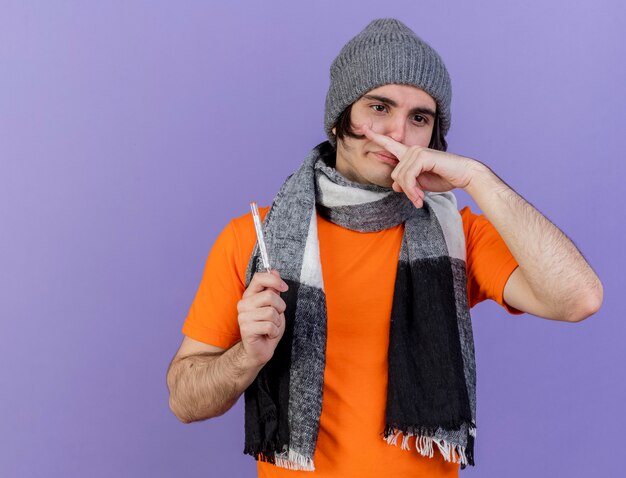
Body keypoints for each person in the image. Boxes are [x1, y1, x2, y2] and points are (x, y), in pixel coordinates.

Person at [166, 18, 603, 477]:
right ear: (339, 120)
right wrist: (246, 358)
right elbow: (184, 401)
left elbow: (580, 298)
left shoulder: (459, 237)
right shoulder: (257, 239)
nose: (398, 132)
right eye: (379, 107)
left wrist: (477, 178)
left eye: (419, 118)